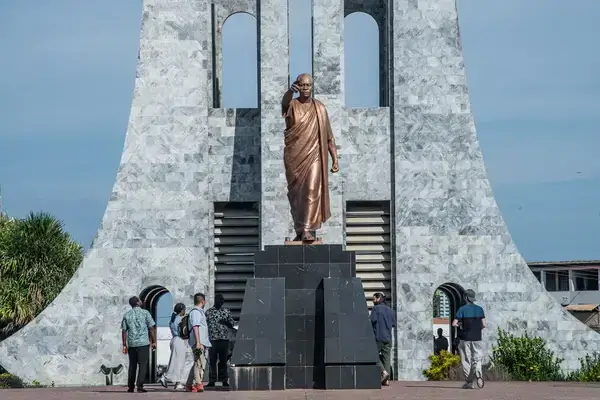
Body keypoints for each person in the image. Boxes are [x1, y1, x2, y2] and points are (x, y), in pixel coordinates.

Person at [281, 73, 340, 242]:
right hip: (295, 158)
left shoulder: (320, 108)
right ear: (298, 86)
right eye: (302, 85)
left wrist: (335, 158)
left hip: (314, 156)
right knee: (297, 195)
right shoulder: (292, 105)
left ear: (312, 87)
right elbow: (284, 104)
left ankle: (307, 229)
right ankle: (300, 229)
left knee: (312, 190)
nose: (305, 88)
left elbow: (329, 137)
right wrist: (289, 92)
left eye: (308, 85)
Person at [121, 296, 156, 393]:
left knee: (132, 365)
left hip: (132, 344)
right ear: (137, 302)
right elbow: (151, 328)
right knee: (143, 365)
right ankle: (139, 386)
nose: (141, 301)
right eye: (140, 300)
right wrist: (153, 341)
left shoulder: (127, 315)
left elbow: (124, 331)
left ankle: (131, 386)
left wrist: (124, 344)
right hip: (143, 343)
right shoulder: (145, 313)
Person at [452, 289, 486, 389]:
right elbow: (484, 324)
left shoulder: (462, 309)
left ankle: (469, 383)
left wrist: (461, 324)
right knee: (477, 358)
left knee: (466, 360)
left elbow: (454, 324)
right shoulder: (480, 309)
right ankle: (479, 375)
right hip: (477, 338)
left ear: (466, 297)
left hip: (465, 338)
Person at [159, 303, 193, 391]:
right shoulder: (182, 319)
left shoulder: (172, 319)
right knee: (182, 363)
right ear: (182, 310)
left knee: (179, 362)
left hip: (174, 340)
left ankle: (179, 382)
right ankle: (168, 378)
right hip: (181, 341)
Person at [206, 294, 236, 387]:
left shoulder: (226, 311)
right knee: (212, 361)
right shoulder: (208, 312)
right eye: (219, 300)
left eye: (222, 300)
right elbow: (204, 325)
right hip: (213, 339)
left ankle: (224, 380)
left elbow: (232, 324)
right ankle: (212, 380)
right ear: (215, 300)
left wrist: (226, 322)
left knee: (223, 361)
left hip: (224, 339)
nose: (221, 301)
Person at [186, 293, 212, 392]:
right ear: (203, 301)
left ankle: (189, 384)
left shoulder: (198, 312)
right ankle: (198, 383)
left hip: (200, 342)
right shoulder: (196, 312)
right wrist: (198, 342)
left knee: (197, 362)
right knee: (200, 363)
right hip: (199, 342)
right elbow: (195, 326)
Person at [370, 292, 396, 386]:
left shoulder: (375, 309)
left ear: (378, 299)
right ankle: (386, 380)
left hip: (378, 337)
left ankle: (384, 372)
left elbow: (372, 321)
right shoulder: (390, 310)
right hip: (388, 338)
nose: (373, 301)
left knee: (372, 355)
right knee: (387, 359)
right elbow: (393, 324)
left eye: (373, 299)